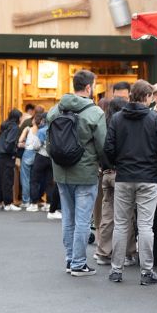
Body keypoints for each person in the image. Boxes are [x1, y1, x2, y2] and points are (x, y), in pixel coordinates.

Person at [104, 79, 157, 285]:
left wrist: (114, 165)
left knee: (121, 225)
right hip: (148, 178)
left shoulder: (117, 118)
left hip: (124, 177)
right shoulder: (154, 119)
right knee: (145, 226)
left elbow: (108, 147)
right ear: (147, 97)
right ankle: (147, 271)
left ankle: (116, 270)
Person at [47, 69, 107, 276]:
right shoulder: (95, 113)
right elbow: (102, 146)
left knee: (68, 218)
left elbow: (49, 142)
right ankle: (79, 264)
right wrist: (103, 164)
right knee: (82, 220)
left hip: (61, 171)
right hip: (85, 172)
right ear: (89, 87)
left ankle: (70, 259)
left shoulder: (55, 110)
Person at [93, 97, 137, 267]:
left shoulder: (103, 124)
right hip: (122, 174)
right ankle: (127, 253)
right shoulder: (124, 126)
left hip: (106, 174)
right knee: (126, 215)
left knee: (107, 214)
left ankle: (103, 252)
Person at [30, 115, 61, 219]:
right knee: (50, 182)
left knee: (35, 180)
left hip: (41, 156)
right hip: (51, 158)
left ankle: (34, 203)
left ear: (44, 120)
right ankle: (48, 203)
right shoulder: (55, 130)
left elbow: (36, 145)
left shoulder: (42, 130)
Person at [0, 109, 22, 211]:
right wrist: (14, 152)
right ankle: (8, 203)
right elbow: (10, 143)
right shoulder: (14, 127)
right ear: (17, 118)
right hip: (6, 156)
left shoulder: (4, 125)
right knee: (7, 179)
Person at [19, 113, 44, 211]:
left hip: (28, 153)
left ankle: (26, 201)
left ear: (33, 120)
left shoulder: (27, 129)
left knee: (25, 178)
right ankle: (35, 199)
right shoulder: (41, 131)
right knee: (35, 179)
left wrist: (25, 144)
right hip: (37, 154)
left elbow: (20, 140)